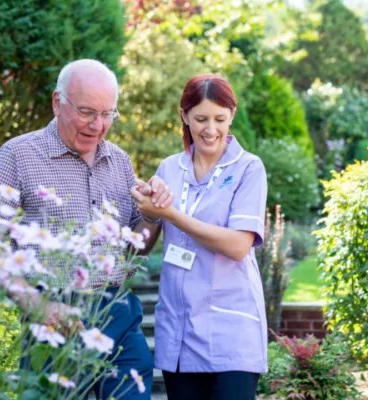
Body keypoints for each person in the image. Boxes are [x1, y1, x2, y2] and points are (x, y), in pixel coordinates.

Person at [0, 59, 171, 400]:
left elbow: (133, 250)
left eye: (108, 114)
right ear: (56, 102)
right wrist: (36, 305)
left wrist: (152, 216)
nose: (98, 125)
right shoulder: (19, 154)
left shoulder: (120, 161)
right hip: (53, 316)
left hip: (116, 311)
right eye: (87, 112)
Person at [131, 73, 268, 400]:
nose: (211, 129)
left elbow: (238, 246)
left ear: (231, 115)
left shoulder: (248, 168)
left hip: (231, 333)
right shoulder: (168, 169)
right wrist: (149, 211)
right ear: (184, 116)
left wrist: (172, 214)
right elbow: (142, 244)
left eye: (220, 119)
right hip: (179, 331)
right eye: (201, 118)